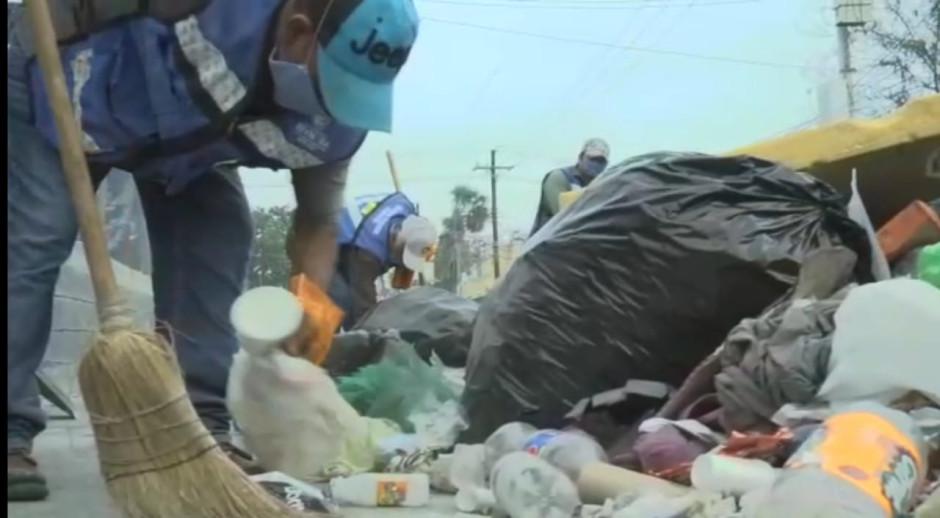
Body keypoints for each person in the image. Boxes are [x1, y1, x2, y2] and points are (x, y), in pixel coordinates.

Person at [7, 0, 419, 501]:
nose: (336, 107)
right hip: (63, 68)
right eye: (333, 85)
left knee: (219, 234)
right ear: (296, 34)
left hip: (182, 137)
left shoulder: (335, 121)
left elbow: (318, 222)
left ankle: (202, 426)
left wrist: (308, 326)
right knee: (38, 231)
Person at [329, 192, 438, 329]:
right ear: (395, 244)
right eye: (402, 259)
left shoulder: (405, 207)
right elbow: (364, 307)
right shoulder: (368, 255)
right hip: (322, 240)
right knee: (339, 300)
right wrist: (373, 335)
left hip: (347, 236)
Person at [529, 138, 611, 236]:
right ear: (581, 157)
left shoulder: (601, 186)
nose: (596, 164)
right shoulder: (559, 177)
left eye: (601, 161)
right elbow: (563, 217)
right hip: (547, 241)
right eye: (592, 159)